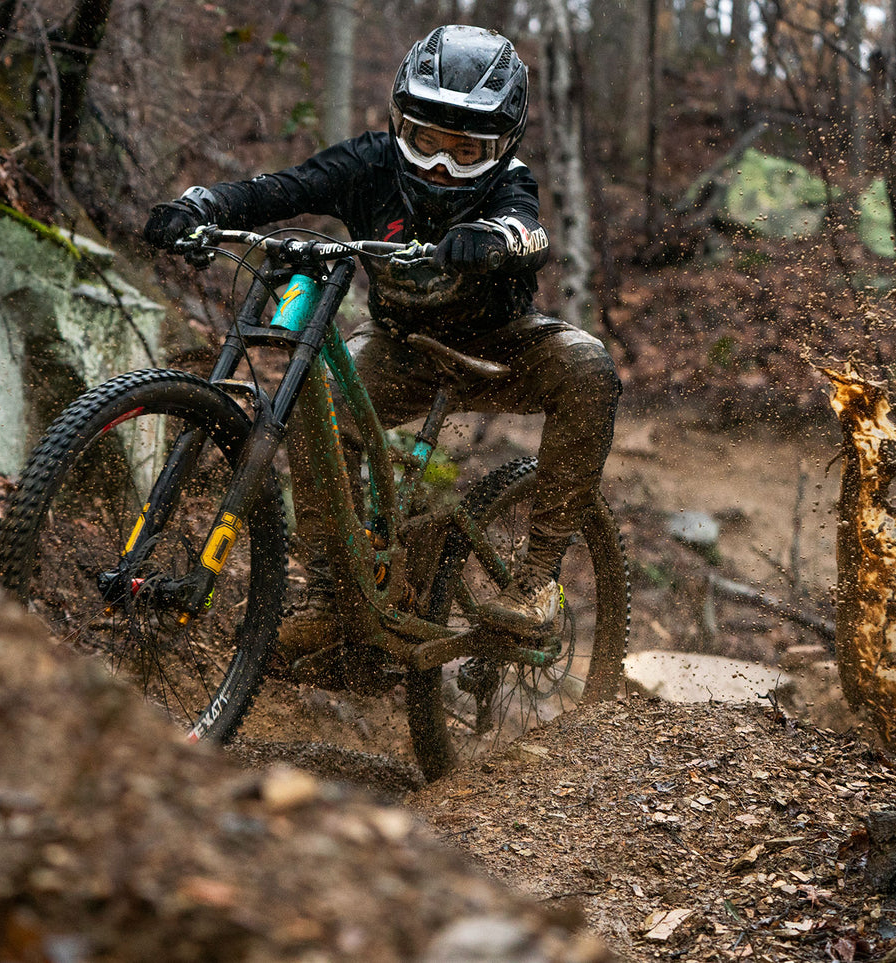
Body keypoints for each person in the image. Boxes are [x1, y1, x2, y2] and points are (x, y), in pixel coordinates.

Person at [143, 24, 620, 663]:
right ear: (401, 121)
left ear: (502, 148)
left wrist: (494, 239)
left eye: (466, 151)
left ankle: (536, 581)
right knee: (318, 407)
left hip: (505, 349)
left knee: (589, 366)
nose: (441, 165)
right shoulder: (368, 162)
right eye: (426, 141)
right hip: (401, 348)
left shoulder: (511, 183)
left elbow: (527, 230)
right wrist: (201, 204)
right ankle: (330, 597)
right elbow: (278, 191)